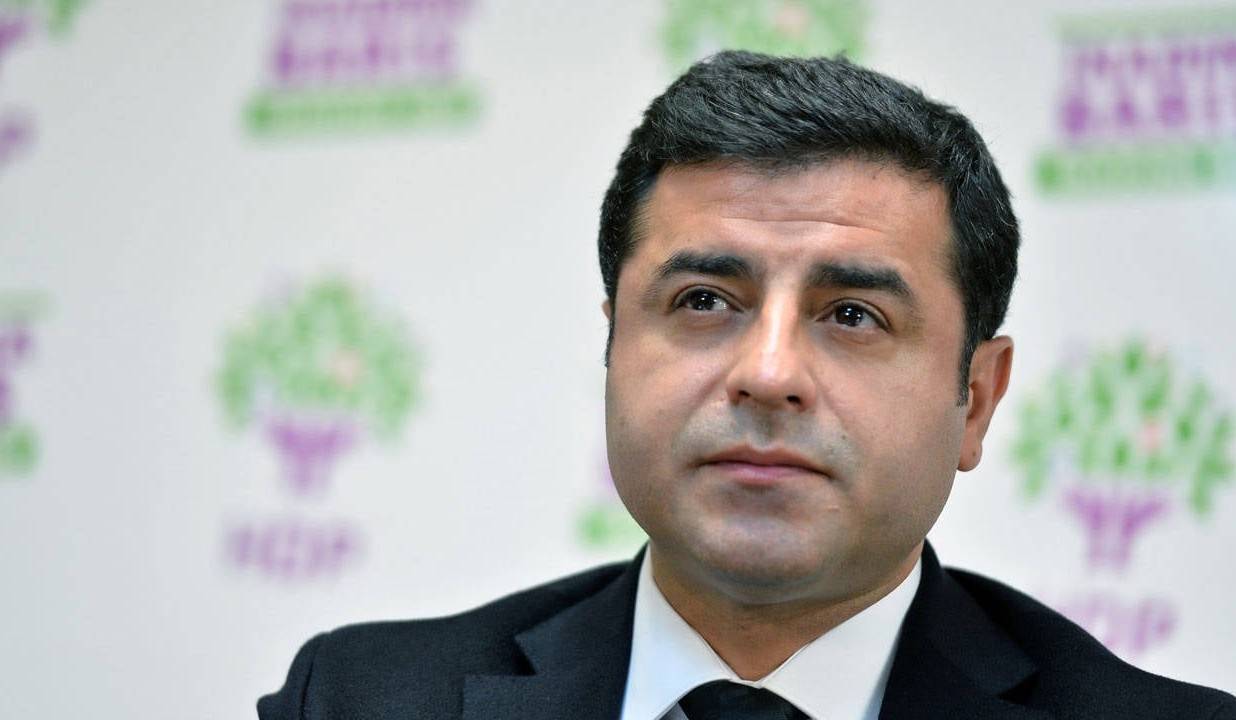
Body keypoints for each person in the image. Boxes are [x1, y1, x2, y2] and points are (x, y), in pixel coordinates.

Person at [258, 51, 1236, 720]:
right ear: (613, 349)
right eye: (704, 301)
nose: (768, 375)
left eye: (852, 315)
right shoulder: (358, 699)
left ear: (975, 398)